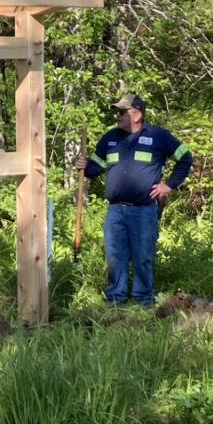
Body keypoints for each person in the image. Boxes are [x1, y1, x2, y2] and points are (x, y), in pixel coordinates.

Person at [74, 93, 192, 306]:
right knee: (114, 257)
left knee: (142, 256)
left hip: (144, 210)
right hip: (115, 211)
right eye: (116, 112)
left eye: (122, 112)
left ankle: (143, 300)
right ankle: (115, 299)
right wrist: (84, 166)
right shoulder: (110, 138)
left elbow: (185, 157)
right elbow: (95, 168)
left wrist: (169, 185)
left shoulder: (159, 136)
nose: (117, 116)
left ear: (137, 114)